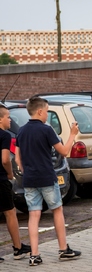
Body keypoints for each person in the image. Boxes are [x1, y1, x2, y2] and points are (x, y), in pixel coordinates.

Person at [14, 97, 81, 266]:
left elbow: (17, 158)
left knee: (33, 214)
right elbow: (64, 151)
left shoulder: (21, 131)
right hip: (46, 177)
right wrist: (72, 134)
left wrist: (24, 169)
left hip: (29, 179)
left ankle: (34, 255)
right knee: (57, 210)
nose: (48, 115)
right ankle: (63, 249)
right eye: (47, 111)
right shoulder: (46, 130)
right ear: (40, 111)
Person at [0, 106, 31, 263]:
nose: (10, 120)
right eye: (7, 117)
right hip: (0, 181)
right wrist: (10, 174)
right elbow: (5, 159)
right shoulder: (4, 136)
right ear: (0, 119)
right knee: (10, 212)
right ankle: (18, 248)